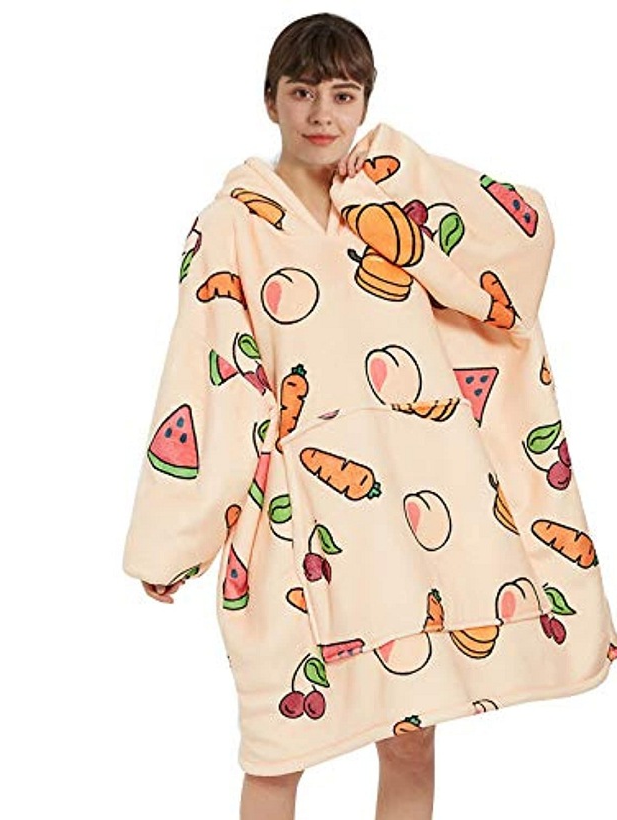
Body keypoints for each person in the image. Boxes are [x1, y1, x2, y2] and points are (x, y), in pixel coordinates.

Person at [141, 13, 437, 820]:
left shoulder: (394, 211)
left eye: (343, 95)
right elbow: (207, 377)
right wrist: (177, 539)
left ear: (366, 102)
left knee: (410, 739)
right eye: (302, 92)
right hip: (281, 516)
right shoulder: (229, 224)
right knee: (279, 749)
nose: (322, 114)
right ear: (270, 100)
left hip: (398, 512)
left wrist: (408, 174)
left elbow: (505, 265)